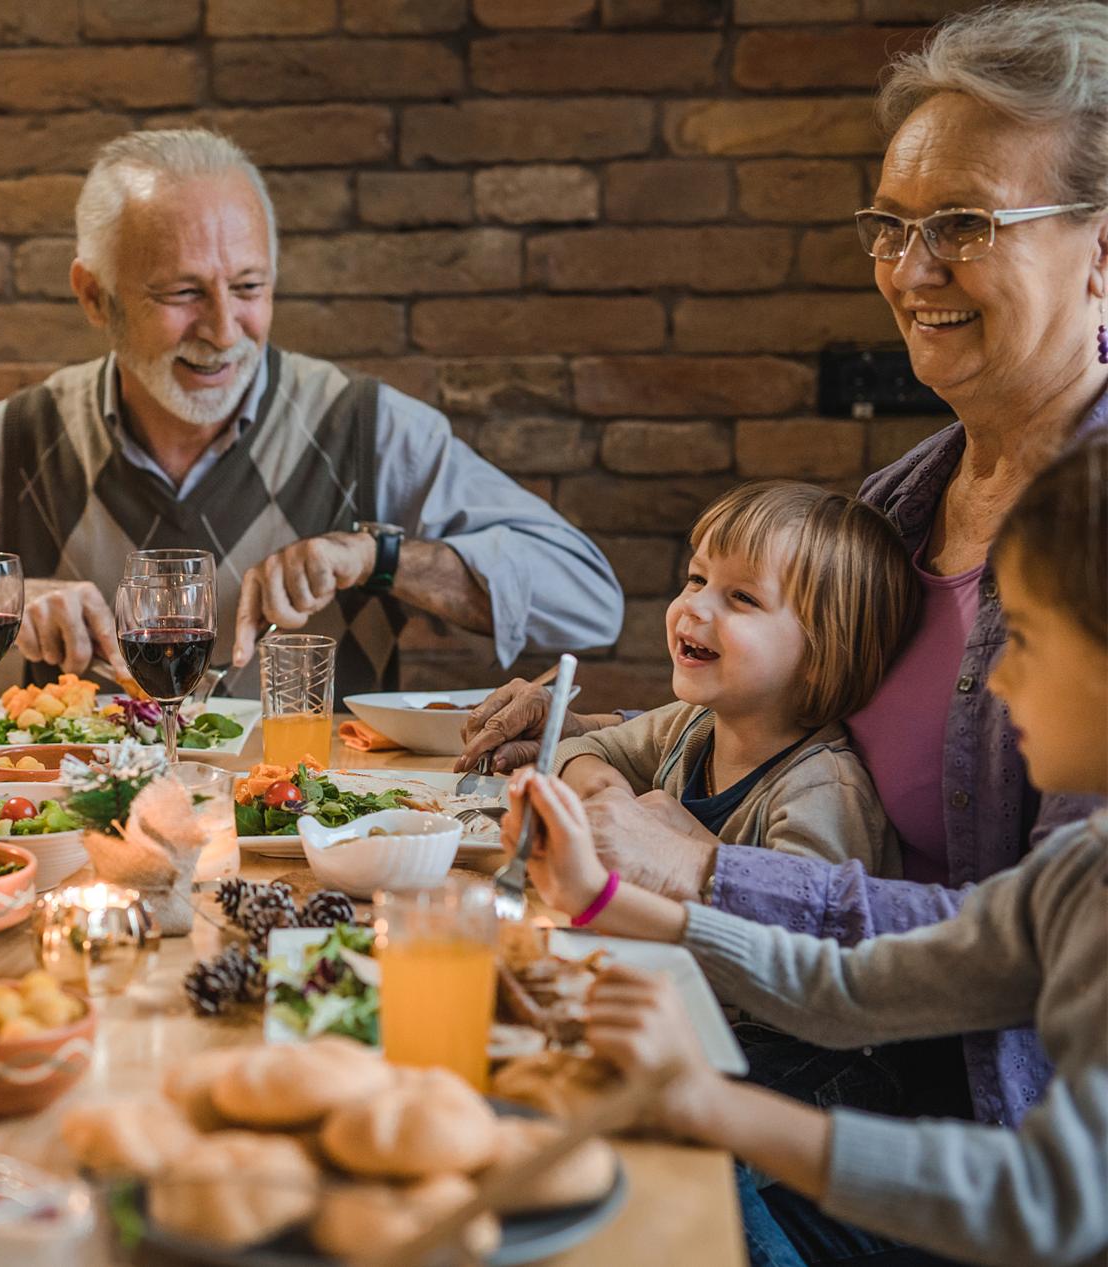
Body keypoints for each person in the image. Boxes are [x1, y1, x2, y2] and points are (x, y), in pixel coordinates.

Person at [458, 0, 1108, 1131]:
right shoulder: (899, 505)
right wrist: (588, 735)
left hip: (957, 1137)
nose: (909, 270)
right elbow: (800, 739)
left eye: (959, 224)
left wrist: (708, 875)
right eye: (888, 224)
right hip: (789, 1036)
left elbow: (1041, 953)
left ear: (1100, 251)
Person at [505, 440, 1107, 1267]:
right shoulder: (1077, 871)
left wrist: (708, 1104)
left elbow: (1048, 1202)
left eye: (1027, 643)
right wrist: (607, 898)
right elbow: (849, 983)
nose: (994, 688)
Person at [0, 128, 622, 702]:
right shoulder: (13, 442)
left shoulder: (364, 428)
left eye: (248, 287)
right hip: (76, 846)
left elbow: (589, 599)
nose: (222, 329)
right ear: (92, 296)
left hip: (314, 839)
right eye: (181, 293)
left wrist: (378, 560)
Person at [554, 481, 916, 874]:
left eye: (743, 597)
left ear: (821, 654)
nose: (694, 605)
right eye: (698, 578)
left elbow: (807, 915)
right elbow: (578, 748)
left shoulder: (822, 792)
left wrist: (682, 844)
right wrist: (604, 790)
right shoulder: (692, 723)